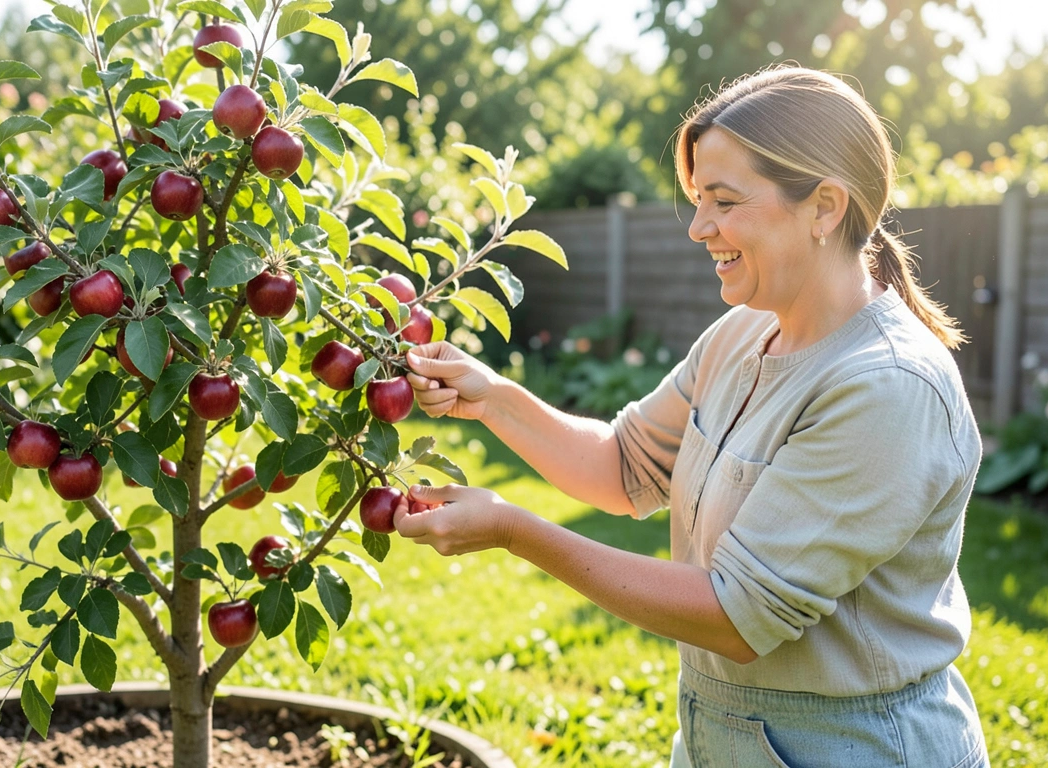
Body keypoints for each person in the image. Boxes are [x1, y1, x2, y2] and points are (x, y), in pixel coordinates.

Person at [392, 66, 989, 768]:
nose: (701, 228)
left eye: (725, 202)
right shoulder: (743, 334)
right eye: (699, 200)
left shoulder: (887, 386)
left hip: (853, 746)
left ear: (825, 206)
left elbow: (737, 615)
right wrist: (491, 396)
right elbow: (625, 466)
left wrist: (512, 530)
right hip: (722, 736)